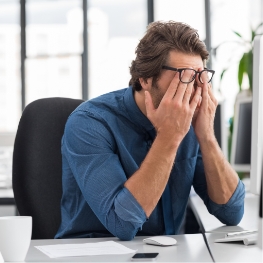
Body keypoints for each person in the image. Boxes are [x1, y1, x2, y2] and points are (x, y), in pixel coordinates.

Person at [55, 21, 245, 240]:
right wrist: (169, 136)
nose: (194, 89)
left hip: (168, 253)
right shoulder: (89, 123)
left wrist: (207, 136)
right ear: (145, 79)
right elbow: (122, 224)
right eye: (185, 75)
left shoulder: (191, 122)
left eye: (200, 77)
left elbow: (232, 212)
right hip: (94, 253)